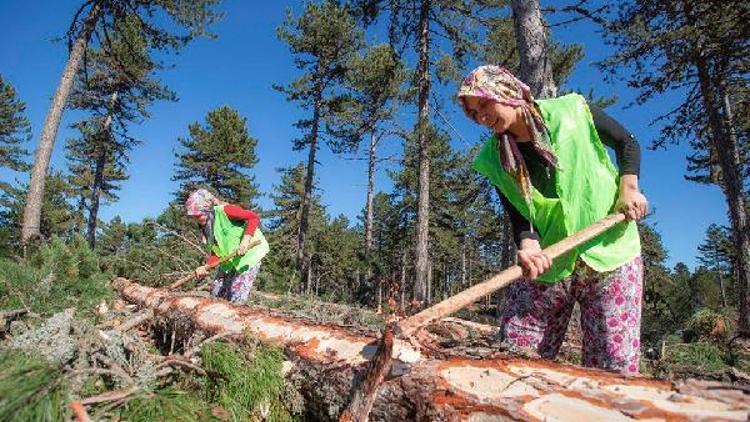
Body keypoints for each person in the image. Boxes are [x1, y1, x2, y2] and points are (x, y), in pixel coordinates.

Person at [457, 65, 648, 375]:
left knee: (613, 366)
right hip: (550, 261)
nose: (481, 117)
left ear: (505, 92)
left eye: (483, 104)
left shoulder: (573, 110)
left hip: (610, 252)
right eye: (473, 114)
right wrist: (528, 245)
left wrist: (629, 188)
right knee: (515, 354)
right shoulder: (493, 157)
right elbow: (518, 211)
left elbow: (628, 142)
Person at [184, 189, 269, 304]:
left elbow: (253, 217)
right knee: (216, 292)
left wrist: (245, 241)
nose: (197, 219)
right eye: (194, 217)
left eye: (198, 216)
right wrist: (206, 266)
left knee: (236, 295)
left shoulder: (226, 211)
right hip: (230, 260)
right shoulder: (208, 226)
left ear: (207, 210)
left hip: (249, 255)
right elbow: (217, 252)